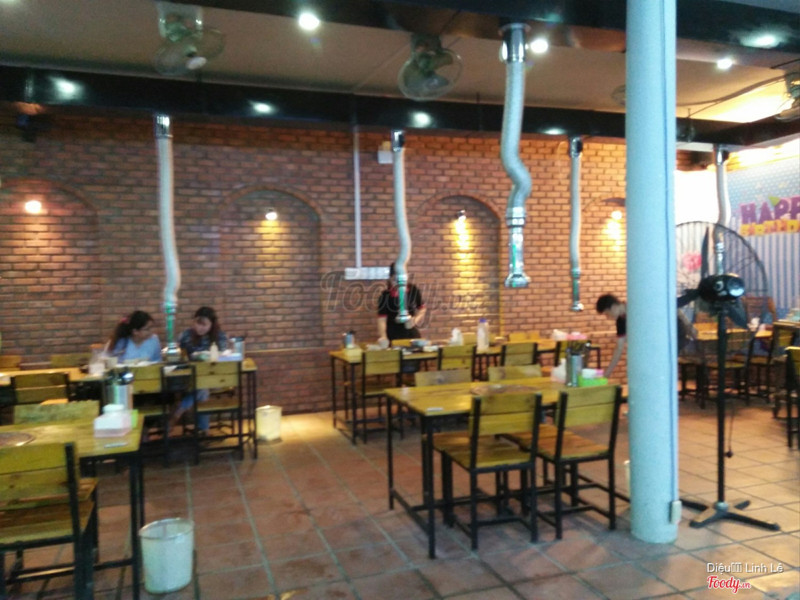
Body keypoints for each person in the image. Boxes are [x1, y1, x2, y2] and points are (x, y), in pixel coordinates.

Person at [171, 306, 229, 434]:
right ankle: (203, 430)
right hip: (190, 378)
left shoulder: (219, 336)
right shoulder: (186, 335)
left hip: (216, 377)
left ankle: (179, 410)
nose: (200, 328)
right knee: (202, 388)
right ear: (194, 322)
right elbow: (175, 353)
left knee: (202, 386)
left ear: (212, 325)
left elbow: (224, 356)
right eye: (198, 323)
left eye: (205, 325)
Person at [377, 263, 427, 344]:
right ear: (390, 278)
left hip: (410, 333)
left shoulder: (413, 290)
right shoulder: (385, 296)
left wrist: (415, 320)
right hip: (393, 334)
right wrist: (383, 336)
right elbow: (382, 319)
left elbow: (422, 308)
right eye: (394, 280)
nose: (398, 283)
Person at [596, 294, 626, 379]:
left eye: (607, 314)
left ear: (613, 307)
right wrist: (607, 374)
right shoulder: (620, 322)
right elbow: (619, 348)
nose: (608, 318)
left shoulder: (634, 308)